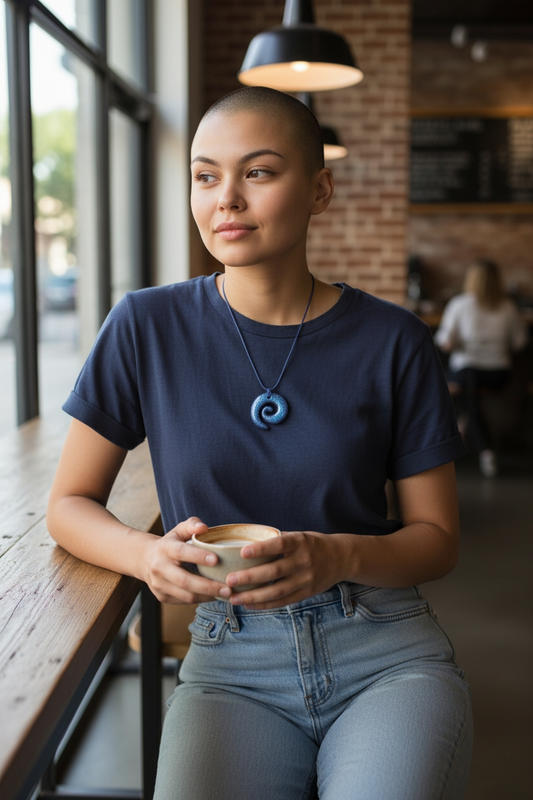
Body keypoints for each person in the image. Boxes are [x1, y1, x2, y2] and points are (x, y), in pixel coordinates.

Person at [48, 87, 473, 800]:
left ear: (318, 189)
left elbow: (437, 538)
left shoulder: (393, 340)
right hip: (228, 658)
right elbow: (69, 504)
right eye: (206, 175)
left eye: (259, 172)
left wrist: (336, 554)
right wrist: (147, 556)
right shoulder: (144, 327)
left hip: (383, 650)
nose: (226, 200)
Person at [435, 260, 527, 478]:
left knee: (459, 381)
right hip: (497, 375)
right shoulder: (509, 307)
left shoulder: (460, 305)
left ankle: (463, 429)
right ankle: (484, 448)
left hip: (465, 373)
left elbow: (445, 343)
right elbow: (519, 343)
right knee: (471, 388)